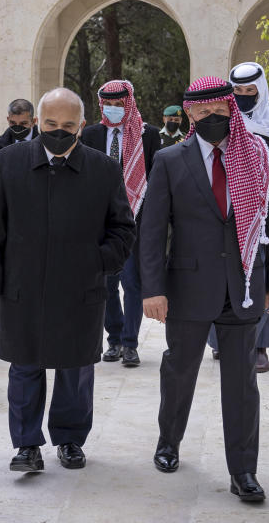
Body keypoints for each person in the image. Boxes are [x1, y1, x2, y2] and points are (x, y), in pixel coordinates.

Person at [140, 76, 269, 503]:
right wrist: (153, 289)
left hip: (244, 286)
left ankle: (243, 472)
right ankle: (169, 441)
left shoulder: (256, 155)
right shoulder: (170, 159)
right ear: (189, 113)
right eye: (203, 113)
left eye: (220, 111)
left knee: (241, 382)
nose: (213, 119)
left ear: (231, 110)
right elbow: (153, 231)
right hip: (187, 288)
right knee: (179, 369)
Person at [0, 87, 136, 472]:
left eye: (67, 125)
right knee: (24, 367)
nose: (58, 131)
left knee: (75, 369)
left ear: (81, 126)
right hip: (21, 287)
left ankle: (70, 439)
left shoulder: (104, 168)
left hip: (80, 289)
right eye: (50, 124)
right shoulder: (6, 163)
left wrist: (95, 261)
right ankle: (26, 445)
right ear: (35, 123)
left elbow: (123, 230)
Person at [207, 61, 269, 371]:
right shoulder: (224, 118)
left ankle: (259, 346)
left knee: (262, 274)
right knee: (222, 271)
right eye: (238, 91)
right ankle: (220, 342)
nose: (244, 96)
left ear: (261, 89)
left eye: (249, 90)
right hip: (225, 208)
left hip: (263, 210)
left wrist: (258, 189)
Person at [80, 80, 161, 367]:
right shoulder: (90, 134)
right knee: (107, 284)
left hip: (134, 219)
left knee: (132, 282)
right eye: (108, 105)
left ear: (129, 103)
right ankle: (113, 340)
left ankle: (130, 344)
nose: (113, 110)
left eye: (118, 105)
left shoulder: (147, 135)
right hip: (100, 223)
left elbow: (155, 178)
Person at [0, 98, 38, 175]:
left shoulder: (46, 144)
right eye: (13, 123)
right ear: (8, 119)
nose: (18, 127)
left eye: (23, 123)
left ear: (33, 122)